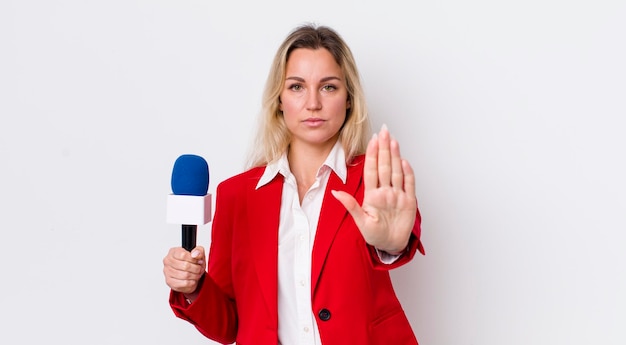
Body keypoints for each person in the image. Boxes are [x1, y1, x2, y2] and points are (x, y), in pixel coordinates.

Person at [162, 23, 425, 345]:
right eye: (297, 87)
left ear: (349, 99)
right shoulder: (237, 196)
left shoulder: (375, 179)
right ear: (279, 100)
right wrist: (194, 287)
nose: (313, 103)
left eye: (328, 87)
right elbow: (228, 326)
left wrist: (391, 246)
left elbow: (398, 235)